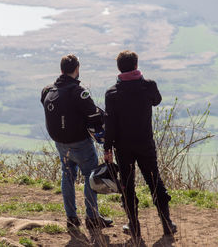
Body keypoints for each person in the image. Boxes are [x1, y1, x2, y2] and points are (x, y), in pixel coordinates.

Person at [103, 50, 177, 239]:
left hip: (123, 147)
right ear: (136, 65)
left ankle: (134, 226)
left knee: (127, 185)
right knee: (154, 181)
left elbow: (109, 123)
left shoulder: (112, 93)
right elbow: (157, 100)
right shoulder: (148, 86)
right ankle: (166, 223)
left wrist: (107, 148)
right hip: (145, 144)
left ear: (118, 68)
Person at [41, 54, 113, 230]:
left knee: (67, 176)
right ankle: (92, 217)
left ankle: (71, 218)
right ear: (77, 69)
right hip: (80, 143)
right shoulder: (79, 92)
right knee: (91, 177)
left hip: (60, 143)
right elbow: (94, 114)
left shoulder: (48, 91)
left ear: (61, 70)